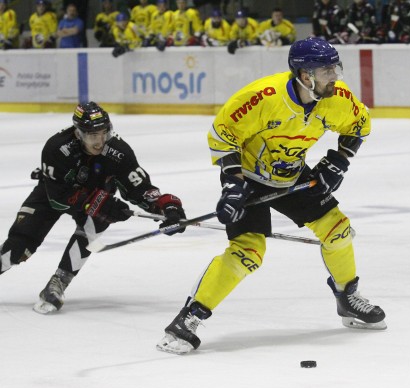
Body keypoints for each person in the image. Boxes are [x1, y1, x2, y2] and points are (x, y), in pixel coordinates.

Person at [156, 37, 386, 355]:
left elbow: (359, 123)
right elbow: (223, 135)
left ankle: (347, 297)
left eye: (335, 68)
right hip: (250, 178)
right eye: (326, 71)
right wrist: (232, 186)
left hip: (292, 174)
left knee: (339, 230)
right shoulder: (263, 97)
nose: (334, 77)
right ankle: (189, 317)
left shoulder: (336, 98)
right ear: (304, 75)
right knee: (247, 253)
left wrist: (339, 161)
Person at [0, 102, 186, 314]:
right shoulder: (56, 148)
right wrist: (101, 203)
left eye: (104, 133)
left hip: (95, 201)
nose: (99, 141)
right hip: (51, 194)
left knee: (93, 226)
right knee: (18, 248)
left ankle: (58, 282)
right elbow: (58, 199)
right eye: (92, 135)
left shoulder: (118, 151)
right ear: (78, 134)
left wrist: (165, 207)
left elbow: (140, 187)